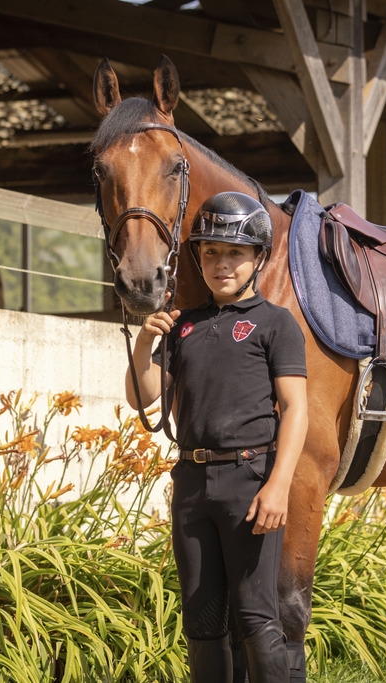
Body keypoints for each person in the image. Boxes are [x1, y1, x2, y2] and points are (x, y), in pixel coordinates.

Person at [125, 191, 308, 682]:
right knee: (202, 619)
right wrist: (145, 343)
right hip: (191, 484)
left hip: (249, 482)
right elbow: (143, 396)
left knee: (254, 614)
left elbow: (295, 409)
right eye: (210, 252)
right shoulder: (184, 325)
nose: (221, 263)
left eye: (234, 253)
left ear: (258, 259)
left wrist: (278, 485)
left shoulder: (275, 323)